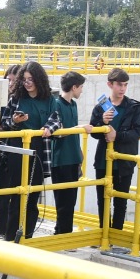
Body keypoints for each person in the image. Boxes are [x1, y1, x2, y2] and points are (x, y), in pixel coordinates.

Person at [1, 61, 54, 240]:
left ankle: (28, 237)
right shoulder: (16, 98)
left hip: (39, 149)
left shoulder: (49, 99)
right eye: (24, 79)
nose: (27, 83)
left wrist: (48, 127)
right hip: (18, 148)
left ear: (39, 79)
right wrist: (15, 121)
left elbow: (56, 119)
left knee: (32, 198)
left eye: (31, 79)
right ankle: (10, 238)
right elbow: (4, 121)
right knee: (17, 197)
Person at [93, 67, 140, 232]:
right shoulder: (101, 107)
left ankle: (116, 236)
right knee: (103, 200)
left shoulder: (134, 107)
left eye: (125, 85)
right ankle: (104, 234)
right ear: (110, 84)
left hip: (124, 162)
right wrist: (102, 122)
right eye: (119, 85)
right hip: (103, 160)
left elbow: (138, 131)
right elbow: (94, 132)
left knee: (120, 201)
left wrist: (117, 136)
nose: (122, 88)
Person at [51, 72, 87, 235]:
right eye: (80, 88)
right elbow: (56, 132)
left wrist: (79, 153)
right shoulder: (56, 104)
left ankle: (64, 232)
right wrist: (78, 129)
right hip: (60, 159)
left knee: (71, 199)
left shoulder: (73, 104)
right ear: (74, 87)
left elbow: (72, 131)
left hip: (73, 158)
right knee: (63, 200)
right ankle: (62, 233)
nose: (81, 91)